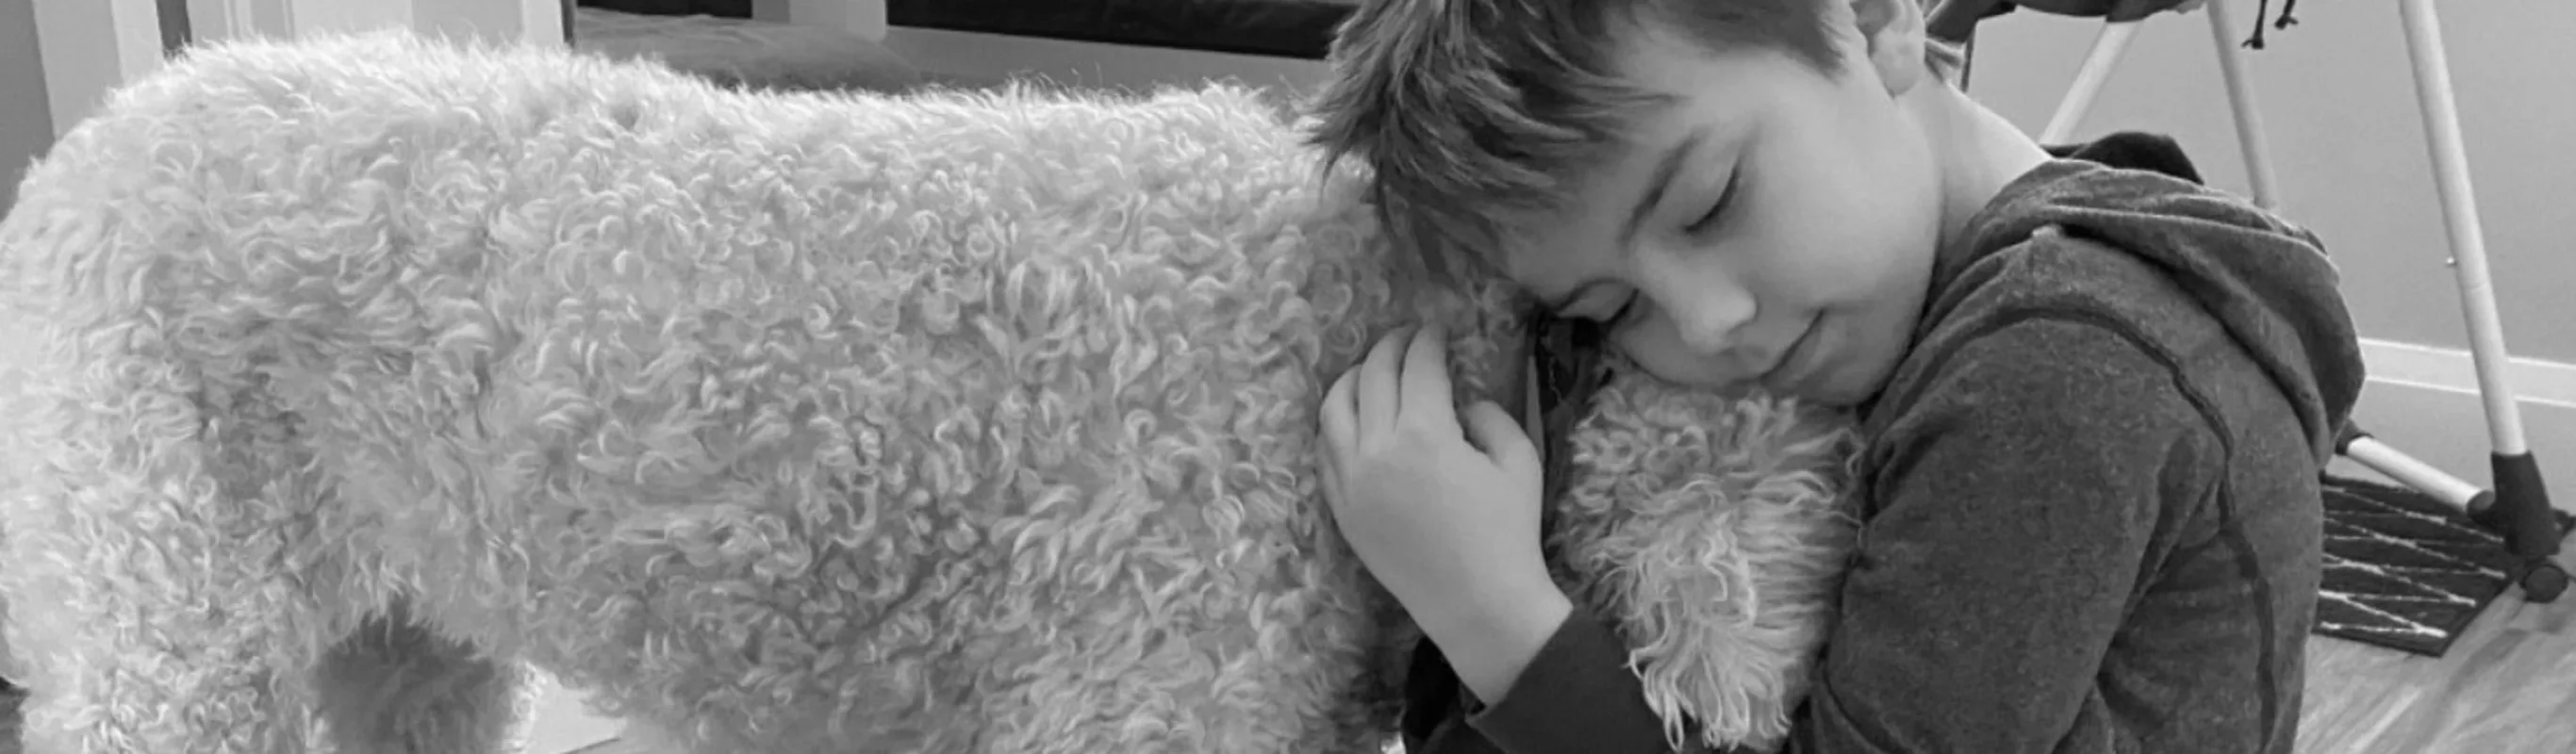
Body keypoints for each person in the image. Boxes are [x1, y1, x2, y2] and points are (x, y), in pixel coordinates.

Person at [1302, 0, 2368, 752]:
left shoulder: (2060, 361)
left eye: (1710, 199)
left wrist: (1488, 609)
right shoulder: (1986, 270)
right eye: (1611, 308)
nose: (1706, 323)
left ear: (1870, 19)